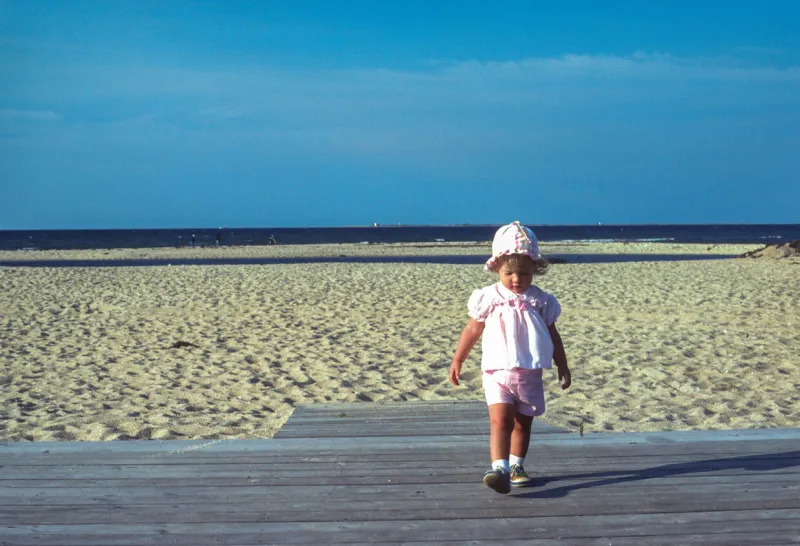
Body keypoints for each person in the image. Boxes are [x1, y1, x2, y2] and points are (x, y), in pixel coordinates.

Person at [449, 221, 572, 494]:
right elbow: (472, 329)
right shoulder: (488, 297)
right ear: (496, 268)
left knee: (522, 423)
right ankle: (499, 468)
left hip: (529, 372)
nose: (517, 279)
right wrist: (458, 359)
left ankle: (517, 466)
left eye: (524, 273)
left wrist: (562, 364)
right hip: (496, 371)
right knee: (500, 420)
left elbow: (554, 334)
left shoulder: (540, 300)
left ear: (535, 270)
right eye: (509, 273)